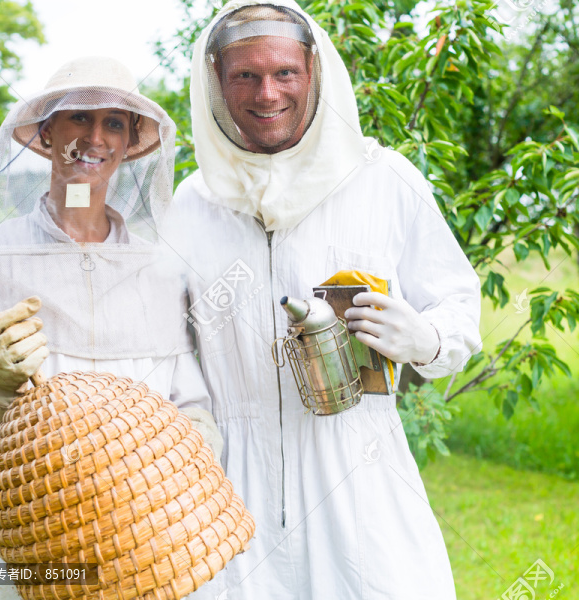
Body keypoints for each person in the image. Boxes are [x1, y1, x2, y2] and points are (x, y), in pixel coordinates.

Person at [161, 1, 483, 598]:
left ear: (314, 71)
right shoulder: (190, 205)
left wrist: (428, 338)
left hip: (360, 480)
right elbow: (165, 345)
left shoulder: (383, 181)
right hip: (226, 493)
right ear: (214, 79)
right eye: (245, 75)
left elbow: (458, 305)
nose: (267, 94)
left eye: (285, 72)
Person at [0, 56, 223, 600]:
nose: (95, 137)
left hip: (144, 536)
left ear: (133, 142)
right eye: (78, 119)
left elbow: (190, 402)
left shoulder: (160, 267)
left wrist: (179, 465)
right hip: (26, 531)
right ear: (45, 135)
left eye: (114, 123)